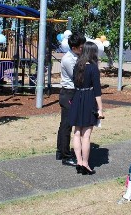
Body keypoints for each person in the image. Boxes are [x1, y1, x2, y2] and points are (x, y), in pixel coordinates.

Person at [69, 41, 104, 175]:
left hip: (77, 97)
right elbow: (97, 91)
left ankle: (78, 162)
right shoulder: (93, 68)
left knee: (77, 132)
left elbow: (74, 82)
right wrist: (100, 109)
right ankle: (85, 163)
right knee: (86, 135)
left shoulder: (77, 65)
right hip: (89, 99)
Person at [56, 32, 86, 166]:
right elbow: (77, 77)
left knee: (65, 124)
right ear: (74, 47)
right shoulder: (69, 59)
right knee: (67, 125)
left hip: (72, 92)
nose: (82, 49)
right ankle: (65, 156)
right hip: (69, 93)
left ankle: (60, 151)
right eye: (81, 47)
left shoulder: (76, 56)